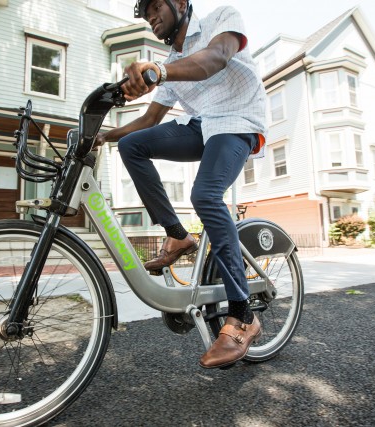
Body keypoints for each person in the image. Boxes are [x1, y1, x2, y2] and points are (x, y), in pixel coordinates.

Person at [95, 0, 268, 369]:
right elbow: (149, 118)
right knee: (132, 145)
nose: (151, 17)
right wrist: (105, 136)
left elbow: (215, 58)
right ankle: (177, 234)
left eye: (156, 6)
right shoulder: (171, 59)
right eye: (145, 14)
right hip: (203, 127)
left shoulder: (221, 19)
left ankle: (242, 316)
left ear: (180, 3)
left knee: (204, 195)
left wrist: (158, 69)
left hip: (237, 122)